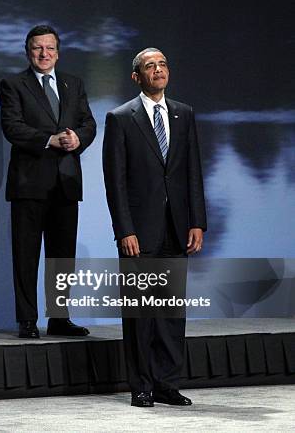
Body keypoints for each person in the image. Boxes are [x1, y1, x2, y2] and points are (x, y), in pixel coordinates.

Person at [102, 47, 207, 407]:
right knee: (140, 312)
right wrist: (124, 230)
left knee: (170, 312)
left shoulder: (183, 114)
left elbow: (193, 171)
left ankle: (167, 383)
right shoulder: (120, 118)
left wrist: (197, 221)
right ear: (137, 77)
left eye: (163, 64)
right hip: (139, 232)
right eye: (151, 66)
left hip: (177, 228)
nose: (159, 70)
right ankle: (142, 385)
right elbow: (114, 181)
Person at [0, 25, 96, 338]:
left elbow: (89, 123)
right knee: (26, 257)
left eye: (49, 48)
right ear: (28, 51)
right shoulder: (14, 84)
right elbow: (12, 127)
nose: (44, 54)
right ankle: (27, 320)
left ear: (58, 51)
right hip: (29, 184)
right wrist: (49, 139)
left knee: (62, 257)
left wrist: (76, 138)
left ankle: (59, 318)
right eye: (38, 48)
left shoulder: (73, 83)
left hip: (66, 183)